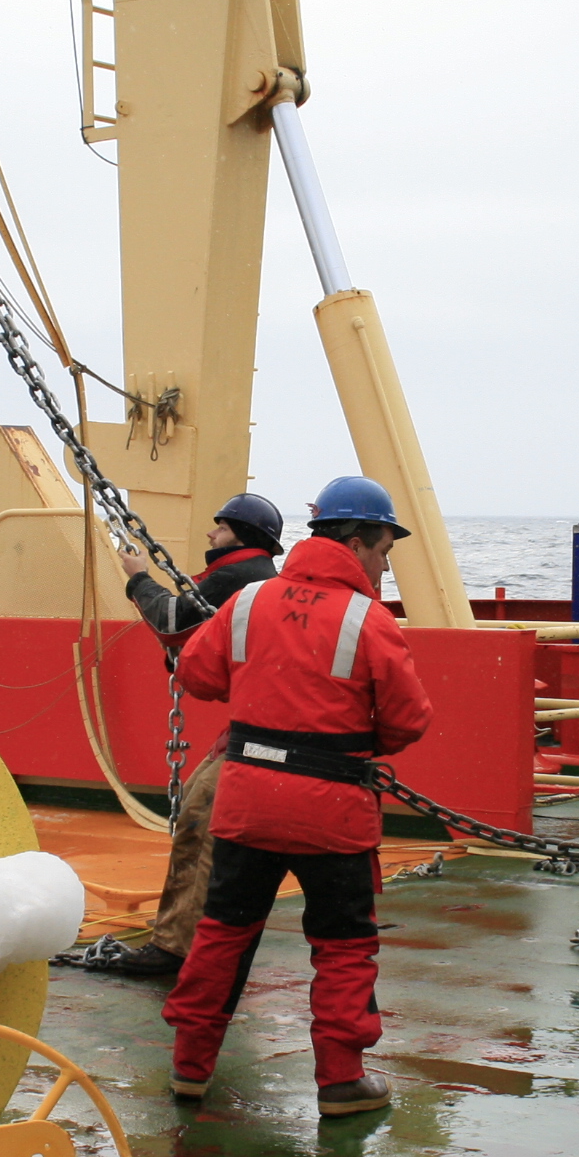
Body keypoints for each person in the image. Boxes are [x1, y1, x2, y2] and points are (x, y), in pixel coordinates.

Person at [161, 475, 434, 1118]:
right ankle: (341, 1082)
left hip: (247, 800)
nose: (384, 565)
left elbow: (196, 672)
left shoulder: (249, 600)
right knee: (343, 946)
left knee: (223, 934)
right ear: (359, 542)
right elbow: (408, 720)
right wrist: (347, 737)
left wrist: (263, 697)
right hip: (333, 809)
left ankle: (190, 1069)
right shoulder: (369, 619)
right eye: (384, 551)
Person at [57, 494, 291, 980]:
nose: (211, 534)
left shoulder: (236, 577)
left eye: (220, 527)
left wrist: (138, 577)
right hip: (258, 731)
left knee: (201, 827)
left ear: (242, 536)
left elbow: (171, 621)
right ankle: (190, 943)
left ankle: (180, 950)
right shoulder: (260, 579)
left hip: (255, 738)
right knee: (200, 824)